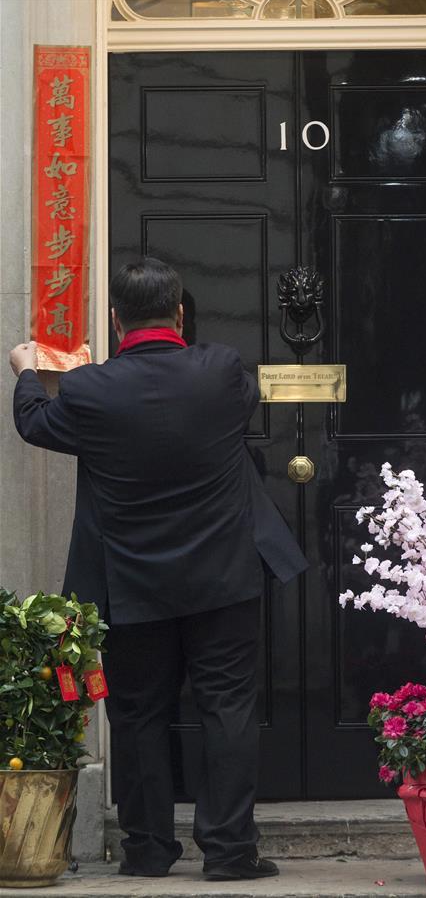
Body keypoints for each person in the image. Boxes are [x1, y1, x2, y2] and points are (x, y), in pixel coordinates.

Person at [10, 257, 308, 882]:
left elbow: (37, 423)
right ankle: (229, 853)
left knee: (138, 713)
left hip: (131, 584)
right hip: (223, 577)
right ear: (179, 314)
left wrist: (30, 370)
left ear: (116, 320)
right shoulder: (223, 371)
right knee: (227, 708)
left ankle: (146, 851)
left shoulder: (90, 390)